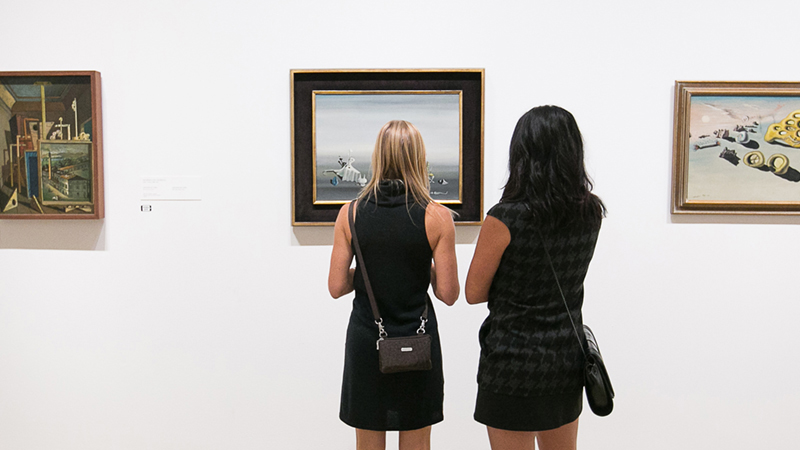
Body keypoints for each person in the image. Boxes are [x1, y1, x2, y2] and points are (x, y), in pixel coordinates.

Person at [465, 106, 606, 450]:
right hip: (563, 360)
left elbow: (473, 291)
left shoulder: (505, 218)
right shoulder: (590, 213)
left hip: (512, 364)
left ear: (522, 154)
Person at [328, 120, 459, 450]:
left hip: (367, 342)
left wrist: (374, 268)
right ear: (419, 158)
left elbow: (336, 285)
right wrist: (415, 267)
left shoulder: (350, 213)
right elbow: (448, 293)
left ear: (378, 157)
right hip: (417, 343)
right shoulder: (437, 217)